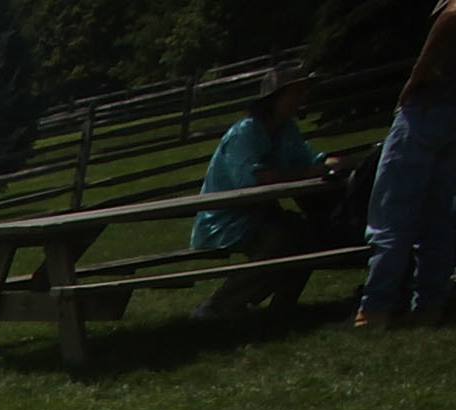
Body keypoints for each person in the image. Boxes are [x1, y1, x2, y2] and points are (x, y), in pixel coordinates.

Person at [189, 71, 340, 320]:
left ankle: (283, 307)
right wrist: (305, 173)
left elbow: (310, 161)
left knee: (309, 235)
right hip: (228, 218)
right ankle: (216, 307)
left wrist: (342, 164)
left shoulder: (286, 130)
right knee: (280, 241)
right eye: (297, 92)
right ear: (276, 98)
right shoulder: (245, 133)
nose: (304, 97)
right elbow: (252, 180)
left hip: (263, 214)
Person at [360, 0, 456, 328]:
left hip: (429, 106)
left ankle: (375, 308)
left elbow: (453, 12)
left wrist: (415, 78)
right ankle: (429, 304)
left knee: (392, 210)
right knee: (438, 216)